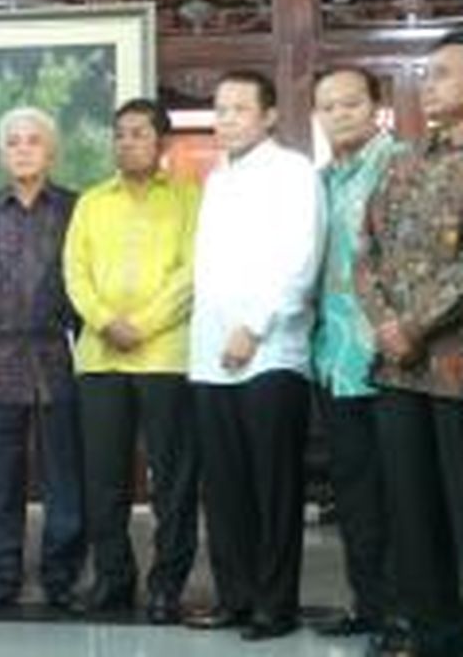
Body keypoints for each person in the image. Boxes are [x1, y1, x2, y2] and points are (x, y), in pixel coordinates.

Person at [185, 70, 324, 640]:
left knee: (273, 486)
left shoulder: (293, 173)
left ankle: (275, 605)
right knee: (224, 488)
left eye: (240, 109)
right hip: (210, 355)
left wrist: (255, 326)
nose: (227, 119)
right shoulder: (217, 178)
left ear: (269, 116)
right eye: (220, 109)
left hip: (270, 354)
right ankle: (235, 596)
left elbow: (301, 259)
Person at [62, 98, 200, 624]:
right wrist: (103, 320)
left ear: (161, 143)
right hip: (100, 360)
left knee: (173, 479)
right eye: (119, 134)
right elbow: (74, 272)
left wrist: (139, 325)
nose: (127, 142)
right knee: (103, 480)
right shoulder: (92, 202)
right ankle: (113, 579)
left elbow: (192, 273)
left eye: (139, 134)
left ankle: (168, 585)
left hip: (165, 357)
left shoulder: (190, 199)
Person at [0, 106, 83, 608]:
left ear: (51, 150)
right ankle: (1, 572)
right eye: (13, 142)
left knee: (65, 477)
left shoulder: (75, 209)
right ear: (1, 153)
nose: (23, 149)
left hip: (59, 361)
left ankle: (61, 573)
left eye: (33, 141)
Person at [356, 30, 463, 657]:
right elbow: (363, 252)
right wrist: (386, 322)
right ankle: (433, 635)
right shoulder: (402, 161)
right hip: (397, 371)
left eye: (445, 73)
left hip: (452, 366)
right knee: (413, 510)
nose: (431, 84)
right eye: (429, 74)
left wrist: (415, 325)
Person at [308, 67, 403, 640]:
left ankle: (410, 612)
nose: (339, 114)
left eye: (350, 104)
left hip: (395, 360)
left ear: (377, 107)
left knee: (405, 497)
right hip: (334, 362)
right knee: (356, 494)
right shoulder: (318, 182)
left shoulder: (402, 165)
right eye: (328, 106)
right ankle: (369, 606)